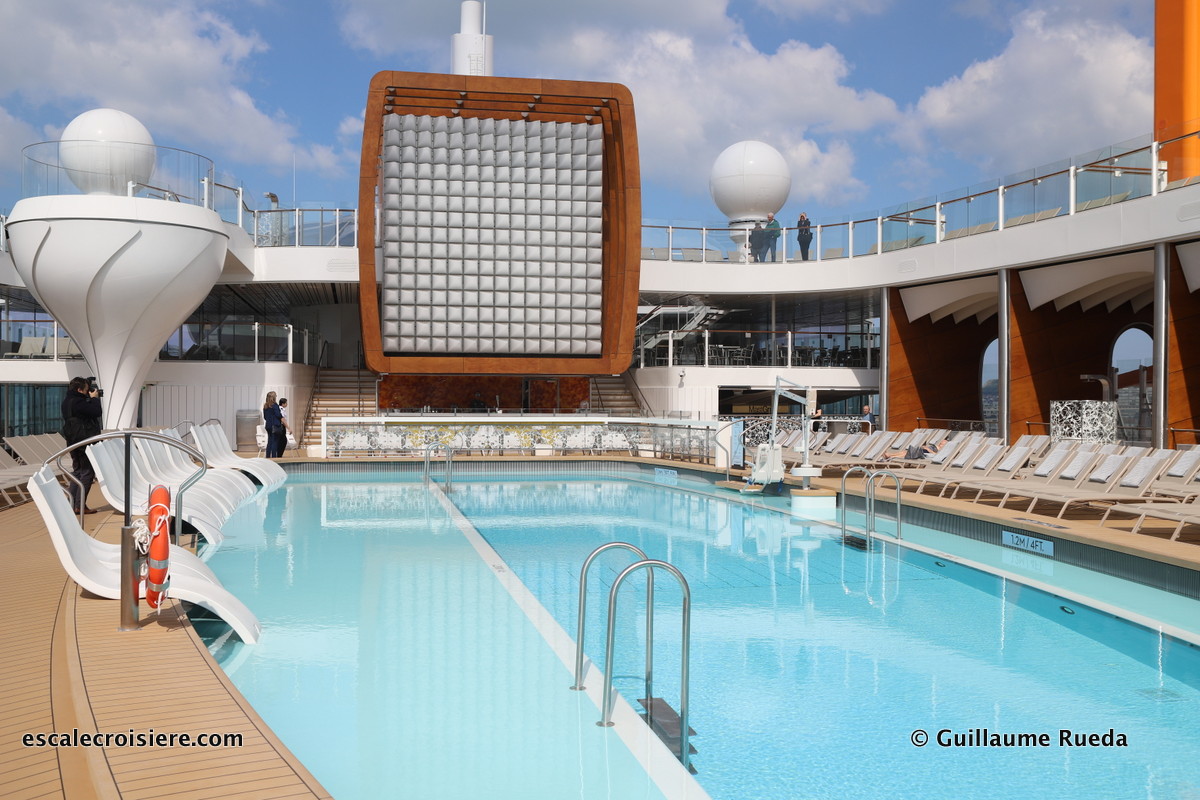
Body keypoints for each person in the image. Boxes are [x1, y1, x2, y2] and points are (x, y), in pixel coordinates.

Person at [61, 376, 103, 514]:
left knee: (78, 472)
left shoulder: (67, 401)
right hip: (84, 441)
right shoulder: (78, 402)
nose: (88, 392)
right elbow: (97, 412)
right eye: (86, 390)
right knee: (87, 473)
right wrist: (95, 398)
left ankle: (71, 504)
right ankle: (80, 505)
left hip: (73, 441)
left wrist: (89, 398)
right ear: (79, 390)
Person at [263, 391, 286, 458]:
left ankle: (268, 457)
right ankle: (274, 457)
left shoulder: (265, 406)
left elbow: (265, 417)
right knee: (275, 442)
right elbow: (278, 415)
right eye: (275, 396)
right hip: (275, 426)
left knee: (269, 442)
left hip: (268, 426)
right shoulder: (275, 406)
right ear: (273, 397)